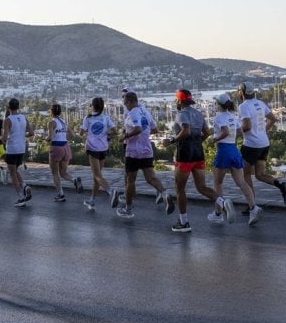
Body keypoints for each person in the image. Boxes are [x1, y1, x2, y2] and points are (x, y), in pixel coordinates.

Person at [167, 89, 221, 233]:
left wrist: (172, 140)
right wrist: (198, 142)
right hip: (198, 152)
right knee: (202, 187)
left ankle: (184, 223)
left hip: (185, 153)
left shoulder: (181, 114)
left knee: (180, 189)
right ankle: (222, 202)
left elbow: (186, 131)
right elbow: (207, 133)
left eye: (176, 100)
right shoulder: (198, 114)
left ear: (179, 101)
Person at [115, 90, 170, 220]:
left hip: (133, 151)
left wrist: (125, 136)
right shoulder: (145, 112)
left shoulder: (133, 112)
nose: (125, 105)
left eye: (125, 103)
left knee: (130, 180)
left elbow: (138, 128)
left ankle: (128, 209)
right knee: (151, 178)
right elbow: (155, 130)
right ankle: (165, 194)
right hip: (146, 150)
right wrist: (144, 134)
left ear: (129, 102)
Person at [237, 82, 286, 207]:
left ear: (242, 92)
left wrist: (234, 134)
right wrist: (263, 131)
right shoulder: (260, 103)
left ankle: (251, 206)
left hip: (251, 145)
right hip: (264, 143)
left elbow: (247, 126)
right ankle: (282, 186)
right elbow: (272, 118)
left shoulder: (243, 106)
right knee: (259, 174)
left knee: (245, 174)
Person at [209, 93, 259, 225]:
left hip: (223, 151)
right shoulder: (233, 116)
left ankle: (219, 213)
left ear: (219, 104)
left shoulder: (219, 118)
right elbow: (239, 132)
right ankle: (253, 208)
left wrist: (214, 139)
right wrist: (230, 137)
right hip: (234, 150)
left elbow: (225, 132)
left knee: (218, 183)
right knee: (242, 182)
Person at [78, 97, 115, 210]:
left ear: (92, 106)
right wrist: (106, 133)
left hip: (93, 149)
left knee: (97, 176)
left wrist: (86, 132)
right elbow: (114, 131)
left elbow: (81, 133)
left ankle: (111, 192)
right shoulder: (105, 118)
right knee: (97, 177)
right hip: (103, 148)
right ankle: (92, 200)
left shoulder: (88, 118)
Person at [3, 98, 33, 207]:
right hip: (21, 148)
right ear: (18, 107)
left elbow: (5, 138)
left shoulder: (8, 120)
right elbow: (31, 132)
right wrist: (21, 136)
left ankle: (21, 197)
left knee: (12, 173)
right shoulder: (23, 117)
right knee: (15, 170)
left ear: (8, 107)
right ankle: (25, 186)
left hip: (12, 149)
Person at [45, 103, 78, 202]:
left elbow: (50, 137)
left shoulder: (52, 122)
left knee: (55, 173)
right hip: (66, 147)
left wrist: (45, 139)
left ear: (51, 112)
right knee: (63, 173)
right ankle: (74, 180)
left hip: (56, 147)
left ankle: (61, 194)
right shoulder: (63, 122)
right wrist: (63, 136)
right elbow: (72, 135)